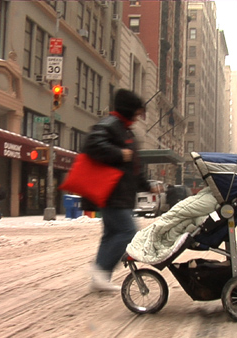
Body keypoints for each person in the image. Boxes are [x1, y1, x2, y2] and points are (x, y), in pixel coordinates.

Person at [82, 89, 158, 291]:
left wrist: (147, 185)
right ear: (128, 110)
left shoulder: (125, 130)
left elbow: (133, 168)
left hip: (120, 194)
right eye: (136, 113)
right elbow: (92, 144)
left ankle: (100, 278)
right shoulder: (110, 125)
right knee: (127, 232)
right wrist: (119, 153)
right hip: (112, 193)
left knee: (111, 234)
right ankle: (101, 272)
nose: (137, 117)